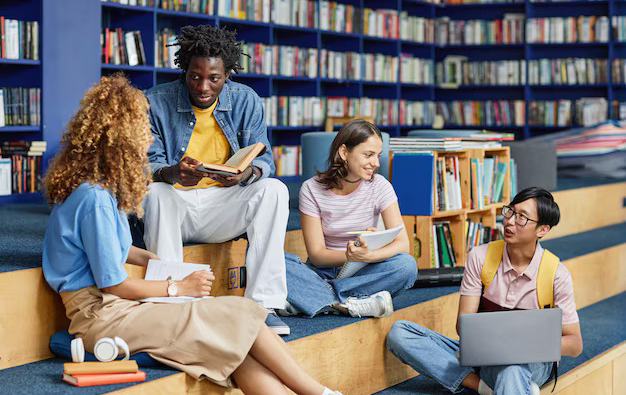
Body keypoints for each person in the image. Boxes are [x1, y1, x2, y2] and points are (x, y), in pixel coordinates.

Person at [41, 75, 343, 395]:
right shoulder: (95, 198)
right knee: (241, 313)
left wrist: (142, 255)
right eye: (142, 128)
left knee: (236, 350)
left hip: (115, 311)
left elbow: (99, 246)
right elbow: (112, 284)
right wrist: (177, 286)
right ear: (121, 136)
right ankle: (320, 393)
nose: (148, 136)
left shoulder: (96, 190)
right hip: (105, 318)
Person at [142, 25, 290, 335]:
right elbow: (144, 167)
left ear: (228, 74)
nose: (203, 87)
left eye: (214, 78)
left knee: (274, 190)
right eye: (195, 76)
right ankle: (174, 304)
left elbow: (264, 160)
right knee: (156, 193)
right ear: (185, 70)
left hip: (224, 205)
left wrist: (243, 175)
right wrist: (172, 172)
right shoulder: (156, 101)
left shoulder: (246, 100)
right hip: (175, 204)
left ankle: (262, 306)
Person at [386, 187, 583, 395]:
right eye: (510, 212)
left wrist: (517, 348)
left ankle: (501, 383)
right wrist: (491, 347)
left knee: (510, 368)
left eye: (522, 218)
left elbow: (574, 344)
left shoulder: (556, 274)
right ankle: (485, 387)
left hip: (532, 363)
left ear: (542, 230)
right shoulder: (480, 257)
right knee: (400, 333)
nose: (510, 221)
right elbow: (464, 326)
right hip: (483, 356)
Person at [283, 120, 417, 319]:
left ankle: (319, 298)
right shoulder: (311, 189)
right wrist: (350, 255)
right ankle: (351, 303)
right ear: (344, 153)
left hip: (364, 271)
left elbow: (403, 244)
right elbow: (317, 255)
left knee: (406, 266)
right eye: (368, 155)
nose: (376, 163)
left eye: (377, 156)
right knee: (276, 261)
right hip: (323, 271)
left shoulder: (380, 186)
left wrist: (368, 256)